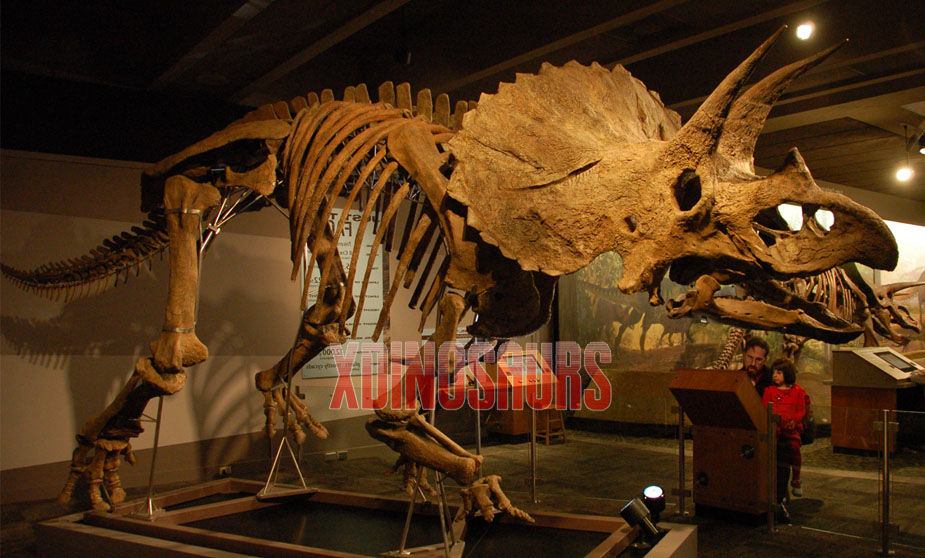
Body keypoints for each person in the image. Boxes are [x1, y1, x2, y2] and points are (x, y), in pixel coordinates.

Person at [763, 358, 808, 498]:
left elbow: (801, 410)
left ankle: (796, 479)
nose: (774, 375)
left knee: (794, 448)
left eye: (779, 372)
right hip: (774, 429)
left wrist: (794, 422)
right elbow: (765, 408)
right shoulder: (769, 391)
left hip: (791, 429)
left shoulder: (798, 392)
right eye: (773, 372)